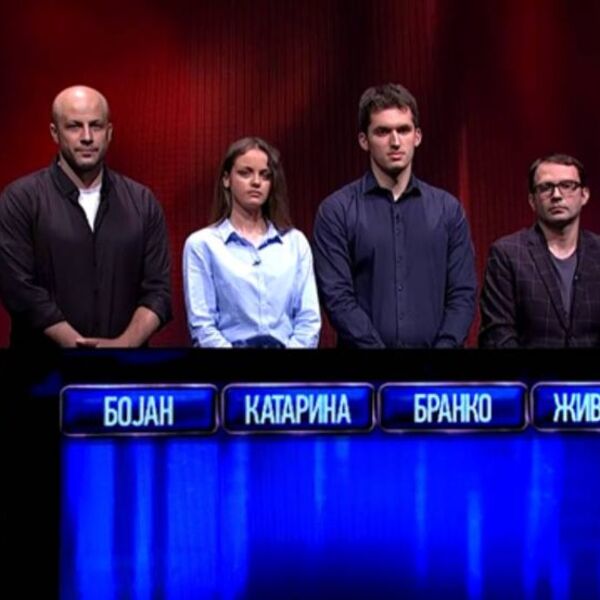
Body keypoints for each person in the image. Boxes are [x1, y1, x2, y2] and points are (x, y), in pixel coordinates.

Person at [0, 85, 172, 349]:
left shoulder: (143, 202)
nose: (87, 137)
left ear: (109, 132)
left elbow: (158, 291)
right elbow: (18, 288)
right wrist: (80, 348)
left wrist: (124, 346)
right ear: (55, 133)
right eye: (74, 127)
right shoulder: (20, 199)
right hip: (40, 368)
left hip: (126, 367)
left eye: (96, 126)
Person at [312, 83, 476, 348]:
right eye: (383, 131)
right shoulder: (336, 211)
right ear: (364, 140)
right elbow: (337, 298)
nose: (395, 141)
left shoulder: (448, 210)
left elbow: (462, 294)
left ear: (417, 136)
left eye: (403, 130)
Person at [183, 137, 321, 348]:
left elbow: (308, 321)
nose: (256, 182)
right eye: (245, 173)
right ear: (226, 179)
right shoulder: (202, 245)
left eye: (265, 175)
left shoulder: (295, 243)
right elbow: (203, 328)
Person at [479, 153, 600, 348]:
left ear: (584, 195)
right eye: (546, 188)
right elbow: (498, 334)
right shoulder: (507, 254)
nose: (557, 195)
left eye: (567, 185)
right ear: (532, 200)